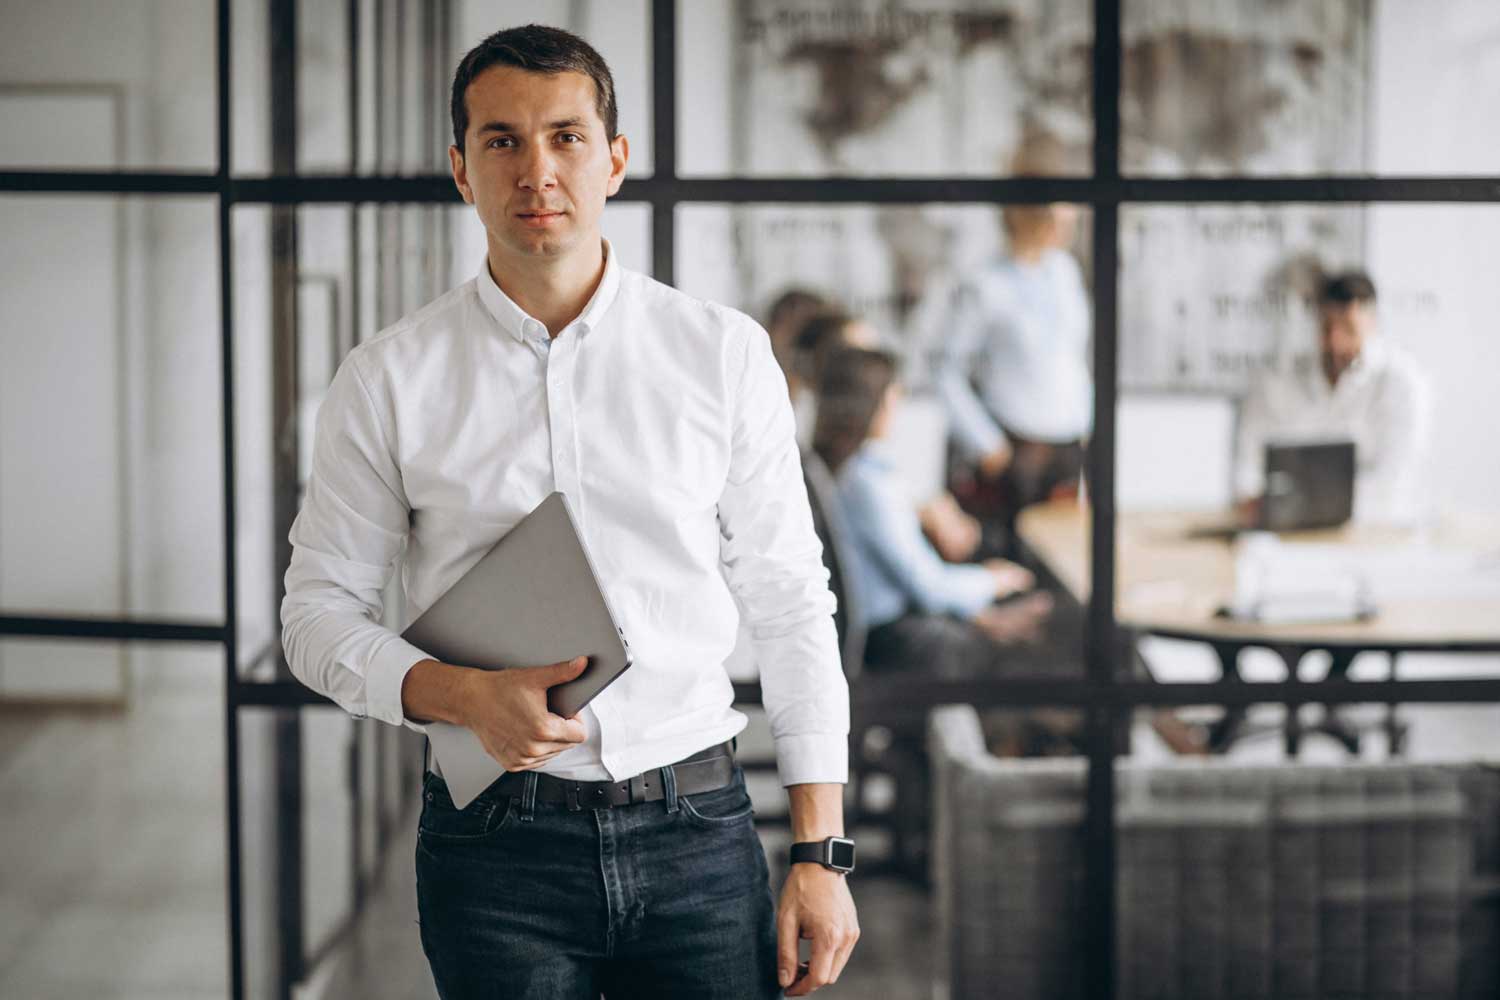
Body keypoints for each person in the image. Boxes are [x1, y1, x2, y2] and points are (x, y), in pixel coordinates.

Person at [280, 25, 857, 999]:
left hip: (700, 826)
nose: (536, 168)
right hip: (493, 848)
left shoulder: (722, 353)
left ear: (615, 159)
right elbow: (313, 616)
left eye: (566, 136)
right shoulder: (388, 378)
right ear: (461, 169)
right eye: (502, 140)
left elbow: (793, 599)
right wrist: (458, 695)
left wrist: (821, 849)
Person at [813, 348, 1055, 679]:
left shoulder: (844, 471)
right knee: (1045, 643)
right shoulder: (865, 482)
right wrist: (993, 580)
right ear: (877, 404)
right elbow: (929, 586)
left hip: (891, 632)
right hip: (897, 641)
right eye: (894, 395)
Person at [937, 137, 1091, 529]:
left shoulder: (1065, 273)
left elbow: (1072, 357)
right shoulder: (987, 284)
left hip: (1068, 447)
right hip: (1014, 453)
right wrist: (987, 444)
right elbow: (946, 371)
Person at [1235, 269, 1431, 525]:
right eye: (1327, 328)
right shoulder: (1279, 382)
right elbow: (1247, 465)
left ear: (1373, 323)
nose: (1336, 343)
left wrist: (1312, 500)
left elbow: (1395, 478)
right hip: (1290, 533)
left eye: (1349, 329)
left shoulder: (1401, 384)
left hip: (1376, 531)